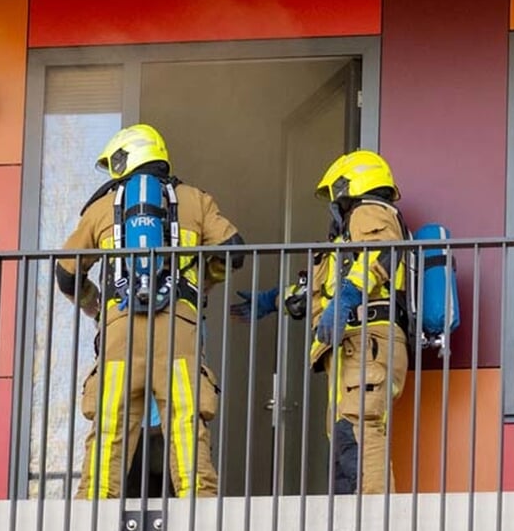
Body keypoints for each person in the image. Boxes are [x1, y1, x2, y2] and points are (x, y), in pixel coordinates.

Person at [55, 124, 245, 501]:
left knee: (110, 426)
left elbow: (66, 273)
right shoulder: (195, 200)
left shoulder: (101, 208)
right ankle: (199, 506)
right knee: (185, 423)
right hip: (179, 331)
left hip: (120, 333)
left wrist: (96, 306)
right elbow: (233, 251)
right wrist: (199, 287)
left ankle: (94, 511)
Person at [233, 149, 409, 495]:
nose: (335, 206)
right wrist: (273, 300)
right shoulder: (346, 240)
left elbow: (381, 251)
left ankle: (373, 515)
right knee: (344, 435)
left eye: (337, 196)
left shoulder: (369, 211)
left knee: (359, 428)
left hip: (368, 340)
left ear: (351, 186)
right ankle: (350, 514)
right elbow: (316, 291)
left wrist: (347, 297)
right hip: (353, 346)